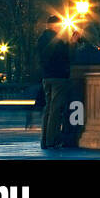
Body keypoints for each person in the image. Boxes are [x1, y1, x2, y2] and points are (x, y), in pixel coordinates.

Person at [36, 15, 71, 149]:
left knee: (48, 109)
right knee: (56, 110)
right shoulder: (56, 40)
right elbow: (64, 56)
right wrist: (71, 43)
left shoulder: (41, 40)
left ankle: (44, 140)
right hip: (58, 77)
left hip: (47, 77)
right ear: (54, 25)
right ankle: (52, 140)